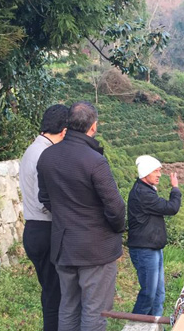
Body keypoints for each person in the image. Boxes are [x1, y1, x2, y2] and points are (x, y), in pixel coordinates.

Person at [37, 101, 126, 331]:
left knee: (68, 307)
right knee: (94, 312)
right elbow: (116, 208)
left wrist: (66, 216)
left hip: (64, 246)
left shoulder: (47, 157)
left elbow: (45, 198)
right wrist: (114, 229)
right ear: (93, 127)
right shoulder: (95, 161)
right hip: (95, 250)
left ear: (68, 125)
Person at [19, 104, 68, 331]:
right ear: (64, 131)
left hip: (32, 230)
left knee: (50, 291)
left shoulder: (31, 149)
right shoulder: (46, 155)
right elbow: (46, 202)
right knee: (54, 296)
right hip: (46, 230)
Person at [127, 155, 181, 316]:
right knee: (148, 294)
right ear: (145, 173)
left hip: (153, 247)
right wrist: (175, 188)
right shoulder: (143, 194)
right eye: (155, 171)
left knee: (158, 295)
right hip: (144, 250)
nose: (159, 174)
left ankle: (155, 326)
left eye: (159, 171)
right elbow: (171, 208)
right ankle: (136, 326)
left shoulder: (147, 190)